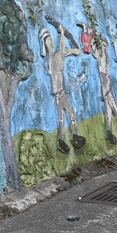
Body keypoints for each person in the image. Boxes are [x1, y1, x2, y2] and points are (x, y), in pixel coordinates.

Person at [40, 19, 86, 154]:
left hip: (63, 92)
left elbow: (69, 50)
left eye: (51, 41)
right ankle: (61, 139)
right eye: (49, 42)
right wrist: (61, 33)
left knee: (71, 114)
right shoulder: (52, 59)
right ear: (45, 45)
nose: (51, 44)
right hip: (58, 94)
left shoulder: (56, 57)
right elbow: (61, 49)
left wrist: (64, 35)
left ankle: (75, 135)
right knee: (61, 119)